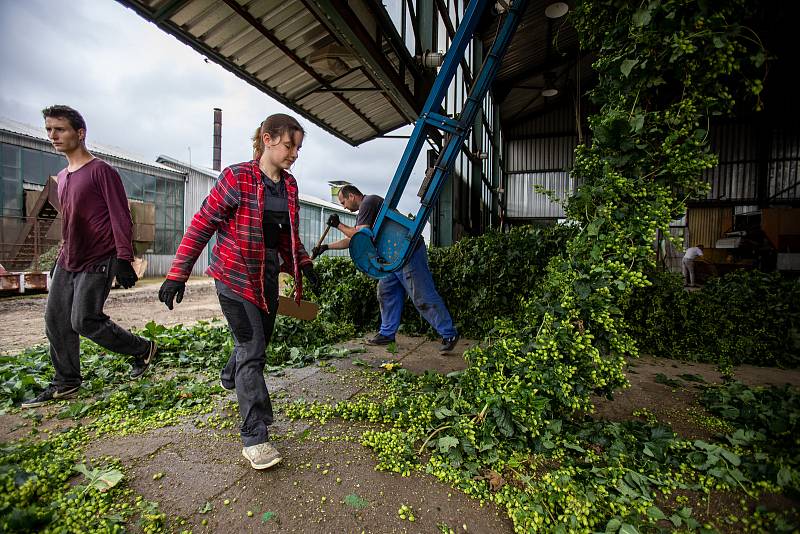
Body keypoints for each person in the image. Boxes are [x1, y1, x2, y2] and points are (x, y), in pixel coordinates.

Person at [158, 113, 319, 471]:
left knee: (257, 343)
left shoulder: (289, 186)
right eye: (289, 145)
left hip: (266, 279)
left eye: (298, 148)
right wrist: (177, 274)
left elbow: (285, 234)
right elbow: (202, 224)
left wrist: (302, 263)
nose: (295, 153)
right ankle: (255, 437)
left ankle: (231, 377)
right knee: (253, 350)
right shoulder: (237, 177)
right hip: (233, 278)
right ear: (267, 138)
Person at [22, 106, 156, 408]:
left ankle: (143, 348)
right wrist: (61, 253)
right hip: (68, 257)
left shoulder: (101, 171)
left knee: (83, 319)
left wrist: (124, 257)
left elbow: (120, 216)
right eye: (49, 130)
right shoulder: (62, 177)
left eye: (60, 129)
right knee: (56, 320)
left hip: (99, 258)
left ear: (80, 133)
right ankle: (66, 381)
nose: (53, 136)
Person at [313, 185, 459, 353]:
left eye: (343, 202)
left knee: (421, 295)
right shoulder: (365, 210)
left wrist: (338, 225)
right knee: (386, 291)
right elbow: (356, 239)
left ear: (352, 196)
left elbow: (360, 235)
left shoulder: (368, 202)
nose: (344, 206)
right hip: (393, 257)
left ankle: (449, 333)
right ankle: (387, 334)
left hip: (407, 251)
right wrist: (326, 247)